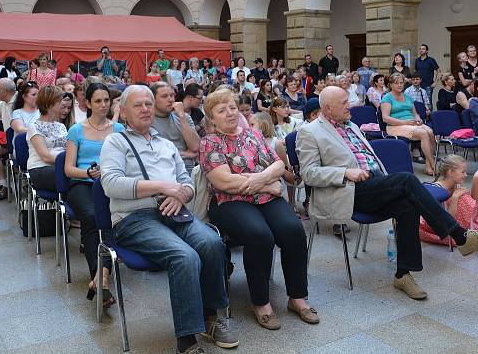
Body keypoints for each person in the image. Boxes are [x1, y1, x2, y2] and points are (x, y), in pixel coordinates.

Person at [296, 86, 478, 300]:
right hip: (348, 190)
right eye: (344, 103)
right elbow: (308, 173)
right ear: (328, 109)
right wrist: (345, 172)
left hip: (375, 184)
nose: (351, 106)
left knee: (407, 205)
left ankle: (403, 274)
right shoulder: (309, 132)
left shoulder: (352, 126)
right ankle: (460, 236)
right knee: (407, 179)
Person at [100, 86, 235, 353]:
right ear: (124, 111)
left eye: (149, 104)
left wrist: (180, 195)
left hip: (173, 210)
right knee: (184, 257)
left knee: (212, 242)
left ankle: (210, 317)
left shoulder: (165, 144)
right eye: (137, 105)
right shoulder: (115, 142)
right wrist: (163, 187)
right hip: (134, 218)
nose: (145, 109)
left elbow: (187, 182)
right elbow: (111, 184)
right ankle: (186, 339)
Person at [199, 89, 317, 330]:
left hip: (264, 196)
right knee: (259, 235)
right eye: (222, 110)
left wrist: (261, 179)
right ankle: (261, 302)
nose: (230, 113)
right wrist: (267, 183)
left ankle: (297, 297)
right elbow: (223, 182)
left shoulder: (252, 134)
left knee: (293, 230)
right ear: (212, 118)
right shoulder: (209, 142)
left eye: (232, 107)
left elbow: (277, 164)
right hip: (229, 202)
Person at [65, 83, 124, 305]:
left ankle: (102, 278)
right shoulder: (76, 130)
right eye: (98, 101)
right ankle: (98, 276)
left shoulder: (118, 129)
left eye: (106, 100)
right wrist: (89, 173)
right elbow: (68, 169)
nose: (103, 105)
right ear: (88, 103)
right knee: (91, 216)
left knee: (112, 217)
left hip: (110, 184)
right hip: (82, 183)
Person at [381, 73, 436, 174]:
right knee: (423, 133)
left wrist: (418, 119)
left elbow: (415, 114)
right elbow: (385, 118)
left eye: (401, 83)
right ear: (391, 85)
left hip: (411, 123)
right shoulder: (387, 98)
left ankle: (428, 166)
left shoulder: (407, 96)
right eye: (397, 83)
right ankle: (433, 164)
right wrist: (404, 122)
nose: (400, 85)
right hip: (395, 126)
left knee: (430, 132)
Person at [418, 155, 476, 246]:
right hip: (436, 225)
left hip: (449, 221)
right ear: (451, 173)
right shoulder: (437, 191)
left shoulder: (455, 184)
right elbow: (444, 221)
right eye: (463, 172)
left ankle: (472, 229)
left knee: (464, 198)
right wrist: (455, 198)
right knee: (462, 198)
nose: (466, 175)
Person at [26, 86, 68, 193]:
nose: (63, 103)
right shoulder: (34, 126)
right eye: (59, 100)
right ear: (48, 103)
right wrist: (70, 163)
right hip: (40, 169)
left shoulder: (61, 126)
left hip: (61, 166)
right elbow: (46, 157)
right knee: (73, 177)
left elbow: (69, 149)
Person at [151, 82, 200, 172]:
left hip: (186, 167)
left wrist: (181, 116)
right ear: (152, 100)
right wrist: (186, 154)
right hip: (161, 168)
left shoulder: (184, 117)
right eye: (164, 96)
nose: (170, 100)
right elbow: (154, 154)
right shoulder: (147, 121)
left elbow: (195, 147)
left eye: (172, 95)